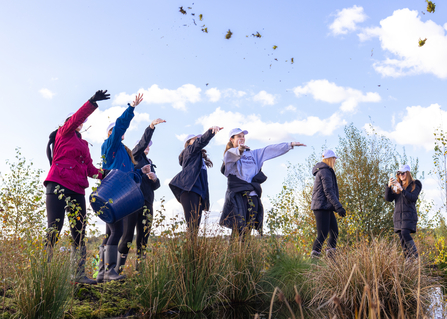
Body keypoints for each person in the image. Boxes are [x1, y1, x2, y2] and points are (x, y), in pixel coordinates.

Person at [44, 90, 110, 285]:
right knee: (54, 228)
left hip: (77, 190)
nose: (79, 124)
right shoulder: (64, 132)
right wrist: (91, 102)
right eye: (76, 121)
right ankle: (44, 272)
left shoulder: (83, 144)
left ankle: (78, 275)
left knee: (79, 231)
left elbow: (89, 168)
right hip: (57, 185)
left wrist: (104, 174)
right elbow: (76, 118)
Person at [96, 93, 147, 283]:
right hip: (111, 192)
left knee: (112, 232)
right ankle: (109, 271)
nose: (120, 133)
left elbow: (128, 173)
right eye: (115, 131)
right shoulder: (110, 145)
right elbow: (119, 126)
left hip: (121, 192)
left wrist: (140, 173)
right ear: (111, 133)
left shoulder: (123, 152)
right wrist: (131, 108)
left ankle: (102, 272)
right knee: (116, 231)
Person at [220, 128, 306, 240]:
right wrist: (239, 150)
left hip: (253, 195)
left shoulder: (254, 154)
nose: (242, 138)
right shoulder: (230, 154)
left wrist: (290, 144)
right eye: (238, 136)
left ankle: (245, 255)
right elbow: (229, 159)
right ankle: (234, 255)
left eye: (243, 136)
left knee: (248, 229)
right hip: (238, 196)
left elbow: (269, 149)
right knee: (238, 229)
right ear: (232, 139)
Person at [116, 117, 166, 273]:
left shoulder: (150, 163)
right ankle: (117, 270)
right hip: (132, 203)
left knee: (143, 239)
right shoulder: (135, 157)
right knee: (127, 237)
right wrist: (151, 127)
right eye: (146, 145)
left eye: (149, 147)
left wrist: (154, 178)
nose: (147, 148)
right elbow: (142, 143)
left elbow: (156, 186)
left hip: (147, 203)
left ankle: (140, 271)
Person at [169, 126, 223, 236]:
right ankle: (189, 251)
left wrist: (205, 200)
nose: (198, 140)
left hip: (198, 193)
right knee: (192, 226)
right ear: (189, 143)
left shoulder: (199, 159)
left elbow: (204, 182)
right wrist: (210, 132)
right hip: (189, 191)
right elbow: (200, 142)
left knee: (195, 228)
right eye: (195, 139)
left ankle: (192, 251)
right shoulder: (189, 151)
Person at [310, 150, 346, 258]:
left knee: (334, 233)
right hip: (321, 206)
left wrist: (335, 206)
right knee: (322, 234)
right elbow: (328, 191)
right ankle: (314, 260)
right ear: (330, 159)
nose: (335, 161)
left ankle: (331, 259)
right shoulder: (325, 171)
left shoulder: (326, 171)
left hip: (327, 206)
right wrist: (338, 207)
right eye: (334, 159)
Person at [385, 164, 422, 259]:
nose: (401, 175)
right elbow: (388, 199)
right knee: (402, 240)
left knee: (405, 233)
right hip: (398, 218)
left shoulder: (415, 184)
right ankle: (409, 264)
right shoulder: (396, 186)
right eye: (399, 173)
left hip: (409, 216)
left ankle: (416, 257)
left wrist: (402, 190)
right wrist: (389, 187)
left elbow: (413, 198)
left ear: (408, 173)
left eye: (403, 173)